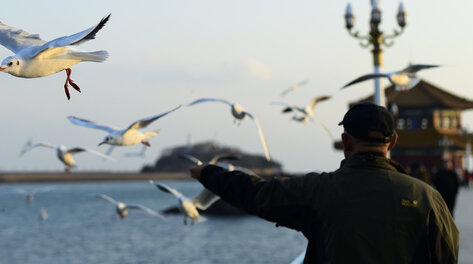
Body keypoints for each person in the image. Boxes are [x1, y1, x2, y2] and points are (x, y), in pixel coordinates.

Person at [190, 102, 459, 263]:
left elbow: (257, 193)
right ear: (393, 142)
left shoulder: (319, 190)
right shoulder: (427, 198)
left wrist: (208, 174)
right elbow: (447, 253)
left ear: (345, 142)